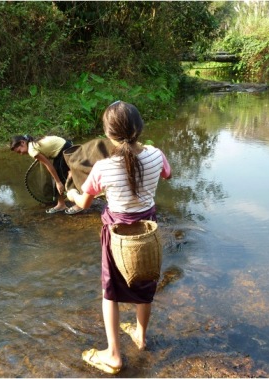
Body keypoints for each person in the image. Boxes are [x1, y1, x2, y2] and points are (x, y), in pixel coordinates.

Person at [67, 100, 171, 374]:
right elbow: (167, 174)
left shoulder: (103, 167)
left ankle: (113, 355)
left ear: (108, 134)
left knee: (110, 291)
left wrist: (71, 195)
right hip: (148, 228)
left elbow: (84, 203)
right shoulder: (155, 154)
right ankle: (140, 335)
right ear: (139, 129)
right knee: (145, 284)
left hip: (117, 232)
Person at [10, 134, 82, 214]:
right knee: (58, 178)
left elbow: (48, 165)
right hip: (65, 147)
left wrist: (58, 182)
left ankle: (80, 204)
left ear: (22, 142)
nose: (21, 154)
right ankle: (61, 204)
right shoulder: (33, 143)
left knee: (63, 179)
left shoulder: (32, 150)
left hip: (64, 150)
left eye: (19, 151)